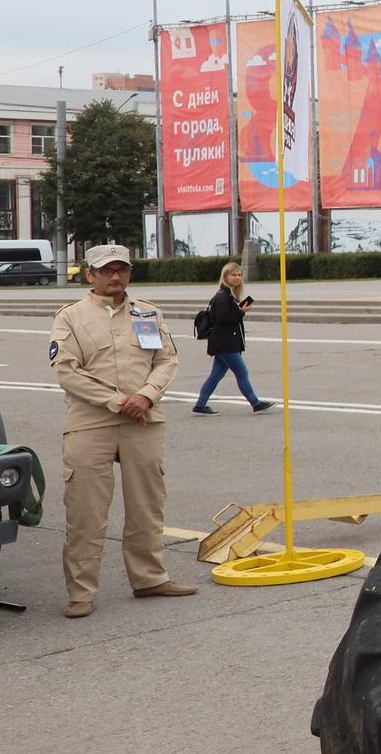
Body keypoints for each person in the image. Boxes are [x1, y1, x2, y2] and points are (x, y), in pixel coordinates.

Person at [47, 242, 192, 618]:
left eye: (122, 270)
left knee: (147, 506)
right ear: (89, 274)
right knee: (85, 512)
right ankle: (81, 592)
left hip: (144, 420)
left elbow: (166, 360)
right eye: (106, 270)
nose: (115, 277)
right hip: (89, 423)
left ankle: (149, 578)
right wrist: (119, 402)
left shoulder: (148, 313)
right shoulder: (71, 317)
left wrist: (144, 396)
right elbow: (67, 371)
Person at [190, 261, 272, 414]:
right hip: (225, 343)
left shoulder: (228, 295)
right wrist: (241, 312)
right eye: (233, 275)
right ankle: (256, 403)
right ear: (225, 276)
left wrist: (239, 310)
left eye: (239, 275)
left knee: (215, 376)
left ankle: (200, 405)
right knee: (242, 372)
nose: (237, 278)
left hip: (223, 342)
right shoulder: (223, 296)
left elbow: (226, 317)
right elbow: (222, 319)